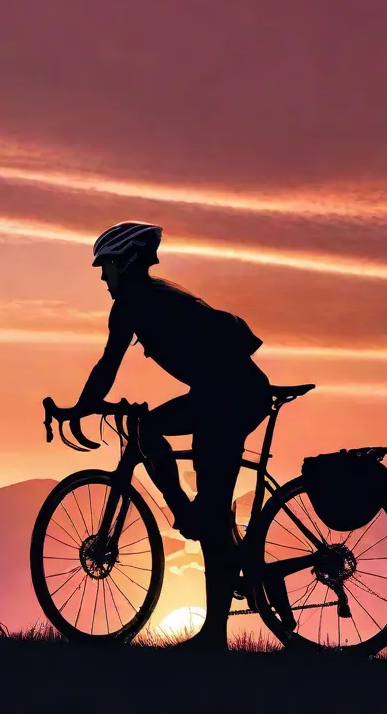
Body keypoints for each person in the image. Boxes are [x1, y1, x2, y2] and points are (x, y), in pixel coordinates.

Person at [70, 220, 273, 652]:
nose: (103, 277)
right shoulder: (152, 296)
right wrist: (83, 406)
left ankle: (214, 638)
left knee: (212, 518)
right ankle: (195, 519)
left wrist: (80, 409)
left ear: (124, 263)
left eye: (105, 267)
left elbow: (108, 365)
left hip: (229, 398)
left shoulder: (133, 303)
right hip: (223, 395)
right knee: (156, 438)